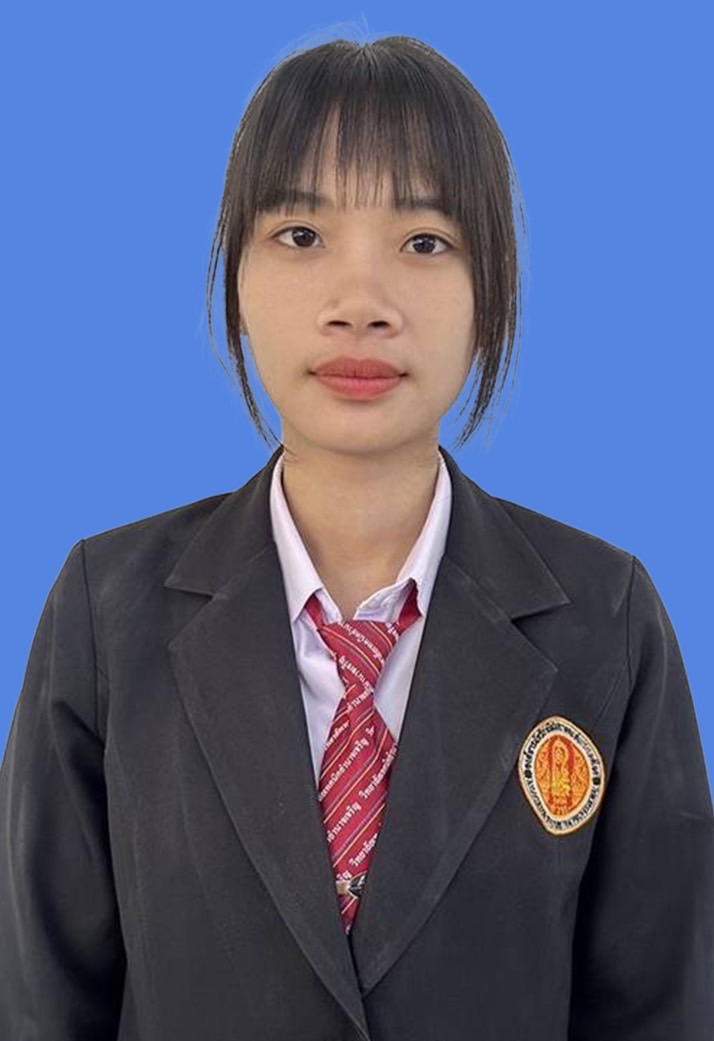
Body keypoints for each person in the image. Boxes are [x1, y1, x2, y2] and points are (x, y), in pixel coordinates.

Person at [1, 32, 712, 1041]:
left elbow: (663, 1007)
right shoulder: (104, 611)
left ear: (492, 292)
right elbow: (37, 1001)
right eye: (301, 234)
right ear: (237, 280)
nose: (360, 305)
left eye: (425, 241)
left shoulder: (608, 619)